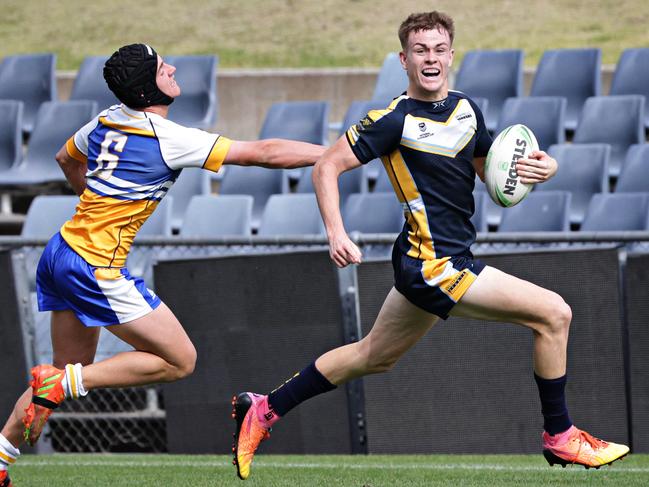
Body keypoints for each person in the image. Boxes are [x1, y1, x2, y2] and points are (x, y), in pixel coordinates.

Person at [231, 11, 630, 481]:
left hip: (431, 259)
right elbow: (326, 167)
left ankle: (263, 409)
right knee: (554, 313)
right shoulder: (392, 120)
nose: (431, 58)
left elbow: (494, 176)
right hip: (433, 264)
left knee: (372, 356)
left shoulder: (467, 109)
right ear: (404, 59)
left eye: (439, 49)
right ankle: (560, 437)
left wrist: (543, 170)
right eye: (420, 50)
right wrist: (337, 233)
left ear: (451, 55)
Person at [0, 43, 325, 487]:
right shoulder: (166, 136)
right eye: (161, 66)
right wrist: (336, 153)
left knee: (60, 375)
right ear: (146, 84)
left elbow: (65, 158)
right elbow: (262, 152)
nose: (171, 68)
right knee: (179, 360)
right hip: (94, 264)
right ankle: (64, 385)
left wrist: (94, 200)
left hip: (61, 252)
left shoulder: (109, 117)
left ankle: (0, 460)